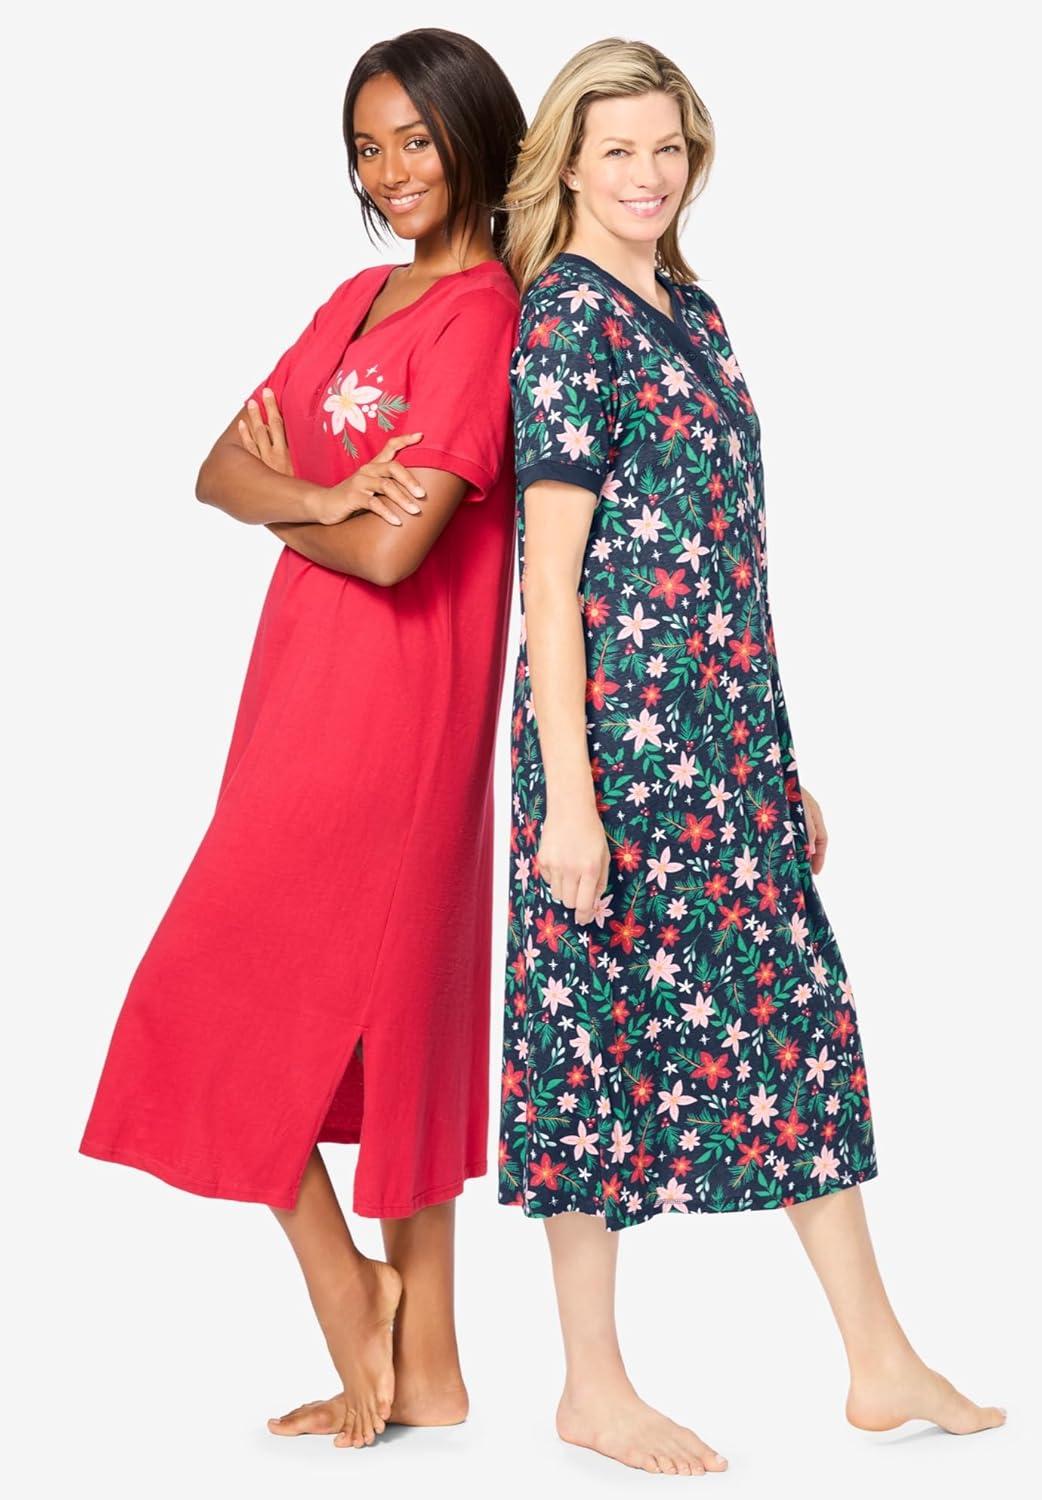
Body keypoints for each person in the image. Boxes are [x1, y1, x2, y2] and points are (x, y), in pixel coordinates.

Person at [497, 36, 1004, 1477]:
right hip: (611, 760)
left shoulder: (695, 310)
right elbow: (549, 585)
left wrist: (773, 762)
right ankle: (591, 1386)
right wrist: (572, 799)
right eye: (617, 150)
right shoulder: (566, 324)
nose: (647, 174)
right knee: (589, 1050)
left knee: (800, 1029)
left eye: (666, 147)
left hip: (723, 754)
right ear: (567, 166)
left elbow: (727, 559)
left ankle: (878, 1359)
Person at [80, 28, 524, 1452]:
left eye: (416, 140)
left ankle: (354, 1296)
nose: (391, 171)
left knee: (239, 984)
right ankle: (428, 1367)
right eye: (367, 147)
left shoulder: (483, 317)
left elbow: (402, 556)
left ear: (476, 137)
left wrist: (301, 503)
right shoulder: (355, 296)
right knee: (358, 1004)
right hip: (296, 691)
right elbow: (216, 467)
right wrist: (326, 500)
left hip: (396, 709)